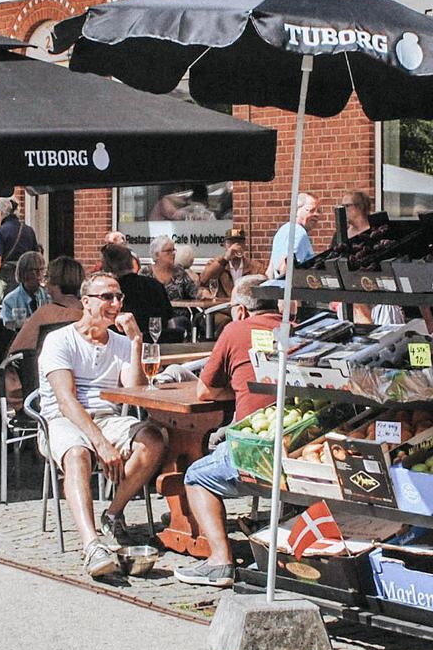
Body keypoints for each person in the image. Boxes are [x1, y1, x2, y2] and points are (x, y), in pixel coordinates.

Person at [35, 271, 167, 580]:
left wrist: (136, 342)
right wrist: (101, 444)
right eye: (107, 297)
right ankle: (92, 545)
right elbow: (66, 402)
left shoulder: (121, 343)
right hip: (62, 420)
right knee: (78, 453)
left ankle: (113, 512)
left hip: (108, 418)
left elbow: (134, 392)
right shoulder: (59, 340)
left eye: (119, 297)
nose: (116, 303)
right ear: (86, 302)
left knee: (153, 439)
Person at [173, 275, 282, 587]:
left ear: (241, 310)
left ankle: (220, 561)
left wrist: (239, 388)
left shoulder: (236, 330)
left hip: (256, 452)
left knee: (195, 476)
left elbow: (204, 390)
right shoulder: (295, 329)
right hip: (296, 445)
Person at [8, 256, 85, 358]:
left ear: (54, 282)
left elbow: (15, 351)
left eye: (47, 277)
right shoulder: (88, 313)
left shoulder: (45, 314)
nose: (45, 283)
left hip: (43, 366)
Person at [99, 241, 169, 341]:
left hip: (119, 343)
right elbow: (167, 317)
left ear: (107, 266)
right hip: (157, 342)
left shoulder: (109, 291)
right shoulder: (155, 285)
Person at [0, 198, 40, 298]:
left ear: (1, 212)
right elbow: (37, 259)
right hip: (27, 282)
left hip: (7, 283)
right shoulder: (29, 231)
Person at [267, 191, 319, 278]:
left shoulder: (283, 230)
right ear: (296, 210)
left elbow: (270, 271)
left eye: (318, 211)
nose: (316, 214)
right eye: (311, 210)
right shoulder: (299, 233)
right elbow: (285, 266)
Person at [195, 232, 250, 303]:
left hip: (245, 307)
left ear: (245, 246)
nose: (235, 247)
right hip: (222, 307)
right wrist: (225, 259)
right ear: (224, 245)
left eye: (239, 242)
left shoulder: (255, 266)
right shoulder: (214, 263)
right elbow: (203, 281)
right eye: (231, 243)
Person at [0, 251, 47, 329]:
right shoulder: (10, 300)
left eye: (42, 269)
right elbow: (8, 328)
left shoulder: (48, 296)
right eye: (34, 270)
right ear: (23, 272)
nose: (39, 274)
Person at [148, 235, 197, 303]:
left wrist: (202, 293)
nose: (173, 253)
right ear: (157, 255)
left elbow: (194, 292)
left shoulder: (179, 271)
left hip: (178, 309)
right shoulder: (146, 273)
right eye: (169, 251)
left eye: (173, 250)